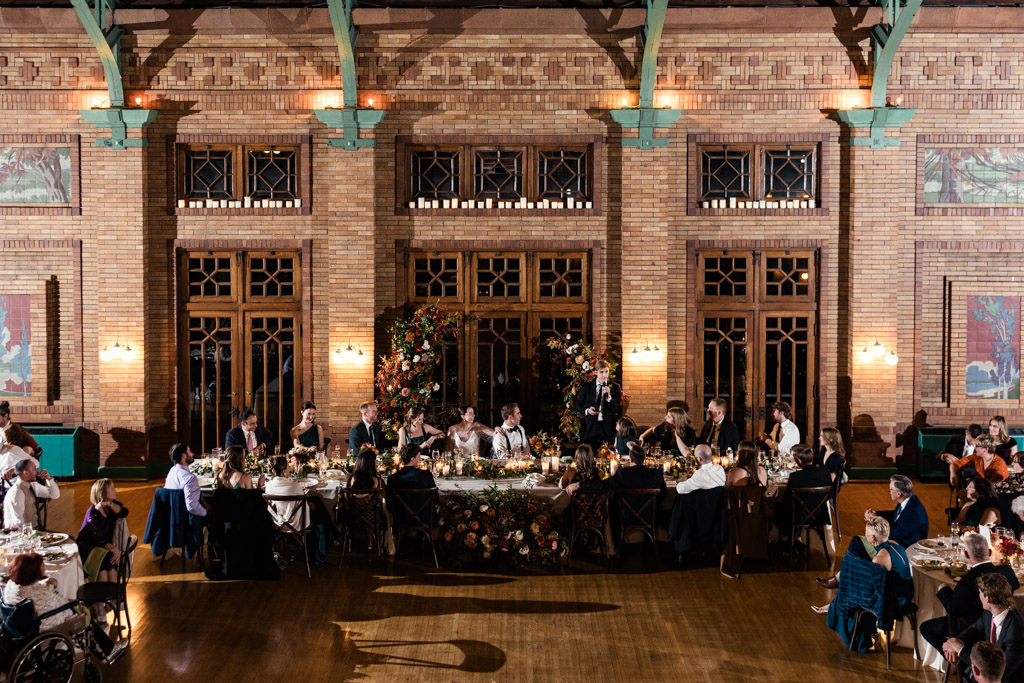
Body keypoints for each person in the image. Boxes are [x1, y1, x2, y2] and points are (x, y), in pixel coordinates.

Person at [817, 516, 913, 652]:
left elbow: (873, 589)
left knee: (846, 598)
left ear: (872, 538)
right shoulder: (895, 544)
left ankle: (858, 638)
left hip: (893, 602)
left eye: (866, 535)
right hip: (905, 593)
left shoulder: (879, 560)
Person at [921, 531, 1020, 652]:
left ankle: (954, 657)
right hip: (1000, 623)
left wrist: (943, 590)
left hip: (970, 626)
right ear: (989, 552)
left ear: (966, 554)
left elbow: (954, 610)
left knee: (925, 628)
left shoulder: (967, 581)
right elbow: (1015, 585)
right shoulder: (1007, 571)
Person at [943, 573, 1024, 681]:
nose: (979, 596)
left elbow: (999, 672)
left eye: (980, 593)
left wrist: (960, 650)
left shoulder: (1016, 631)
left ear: (988, 599)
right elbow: (975, 629)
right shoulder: (989, 613)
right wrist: (956, 641)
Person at [264, 455, 335, 565]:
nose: (290, 468)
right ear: (283, 471)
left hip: (277, 523)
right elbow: (300, 506)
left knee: (315, 500)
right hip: (295, 524)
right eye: (288, 466)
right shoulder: (295, 486)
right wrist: (307, 505)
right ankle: (324, 545)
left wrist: (307, 503)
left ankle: (331, 533)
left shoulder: (268, 485)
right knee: (319, 514)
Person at [3, 553, 75, 632]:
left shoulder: (9, 585)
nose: (44, 568)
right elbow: (64, 605)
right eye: (42, 565)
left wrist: (41, 583)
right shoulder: (42, 593)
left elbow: (29, 589)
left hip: (18, 628)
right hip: (45, 627)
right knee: (78, 607)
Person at [77, 478, 130, 583]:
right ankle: (107, 596)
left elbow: (124, 512)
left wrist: (109, 503)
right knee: (108, 561)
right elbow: (98, 538)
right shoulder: (93, 512)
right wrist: (113, 548)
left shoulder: (112, 506)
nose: (115, 490)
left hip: (102, 548)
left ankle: (110, 596)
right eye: (112, 489)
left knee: (109, 561)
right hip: (89, 549)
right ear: (103, 492)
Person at [865, 474, 928, 548]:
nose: (889, 492)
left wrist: (876, 522)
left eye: (891, 489)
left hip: (904, 547)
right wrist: (877, 514)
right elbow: (896, 515)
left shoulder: (913, 512)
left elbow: (895, 534)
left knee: (858, 543)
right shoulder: (909, 500)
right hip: (898, 540)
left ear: (899, 494)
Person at [781, 444, 832, 535]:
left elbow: (786, 500)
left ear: (799, 461)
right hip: (820, 515)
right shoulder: (825, 473)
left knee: (776, 509)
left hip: (799, 517)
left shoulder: (795, 477)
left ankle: (789, 540)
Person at [385, 445, 437, 527]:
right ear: (412, 459)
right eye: (418, 456)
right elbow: (435, 499)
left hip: (401, 520)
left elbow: (390, 505)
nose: (419, 459)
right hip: (424, 520)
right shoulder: (426, 475)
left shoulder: (392, 479)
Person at [573, 360, 622, 447]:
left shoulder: (615, 387)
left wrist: (609, 397)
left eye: (606, 372)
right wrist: (587, 410)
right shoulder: (587, 387)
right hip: (590, 427)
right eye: (601, 372)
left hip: (607, 428)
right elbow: (578, 405)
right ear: (596, 372)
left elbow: (616, 409)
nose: (604, 375)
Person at [3, 458, 59, 529]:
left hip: (33, 531)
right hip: (20, 534)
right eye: (34, 468)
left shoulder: (33, 485)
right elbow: (18, 524)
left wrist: (49, 479)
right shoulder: (17, 492)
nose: (38, 471)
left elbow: (55, 495)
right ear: (26, 473)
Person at [164, 443, 209, 518]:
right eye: (190, 452)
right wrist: (206, 512)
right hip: (186, 517)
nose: (192, 454)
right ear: (183, 456)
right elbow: (192, 506)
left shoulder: (172, 470)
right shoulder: (190, 478)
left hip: (171, 514)